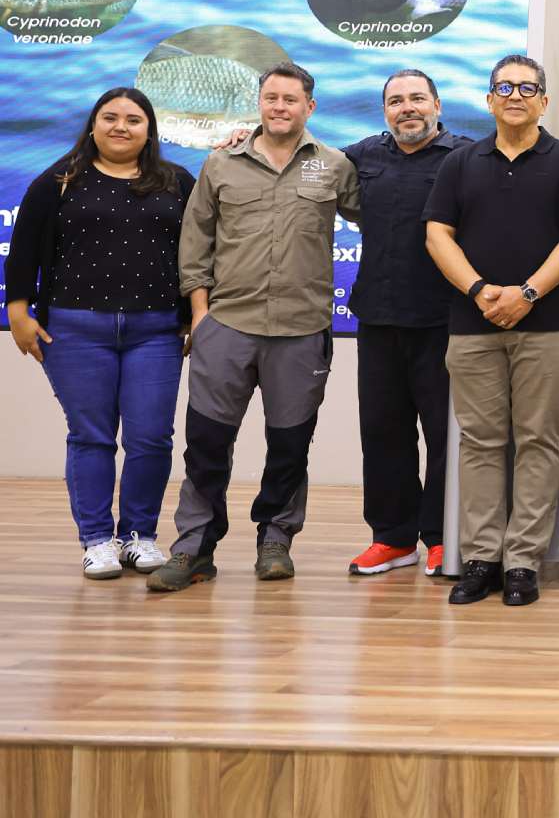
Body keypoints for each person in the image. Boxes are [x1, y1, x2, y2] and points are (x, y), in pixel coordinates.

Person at [149, 63, 361, 592]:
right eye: (271, 98)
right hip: (228, 325)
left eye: (291, 99)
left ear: (309, 107)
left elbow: (384, 218)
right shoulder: (221, 163)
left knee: (290, 444)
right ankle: (194, 548)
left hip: (301, 329)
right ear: (259, 104)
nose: (280, 107)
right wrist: (200, 314)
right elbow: (194, 241)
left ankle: (276, 541)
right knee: (205, 441)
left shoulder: (334, 166)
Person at [424, 55, 559, 607]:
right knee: (480, 443)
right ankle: (480, 558)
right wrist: (478, 291)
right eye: (505, 87)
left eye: (528, 87)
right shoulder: (460, 163)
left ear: (544, 100)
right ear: (490, 99)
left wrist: (525, 295)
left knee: (539, 441)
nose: (515, 95)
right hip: (471, 327)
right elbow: (437, 236)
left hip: (545, 325)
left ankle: (522, 561)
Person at [7, 88, 194, 579]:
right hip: (74, 330)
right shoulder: (58, 181)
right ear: (92, 126)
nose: (120, 126)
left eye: (133, 119)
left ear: (149, 130)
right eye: (109, 117)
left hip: (155, 332)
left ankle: (138, 536)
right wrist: (18, 312)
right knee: (90, 437)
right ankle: (96, 540)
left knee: (151, 437)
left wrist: (197, 313)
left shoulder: (177, 183)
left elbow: (201, 253)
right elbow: (23, 249)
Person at [342, 70, 474, 578]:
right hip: (378, 317)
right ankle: (393, 538)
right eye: (396, 101)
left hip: (445, 320)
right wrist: (245, 137)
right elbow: (300, 157)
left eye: (417, 98)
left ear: (437, 105)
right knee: (382, 432)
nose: (407, 108)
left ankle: (442, 537)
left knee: (445, 435)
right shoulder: (361, 158)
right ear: (385, 112)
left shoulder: (465, 158)